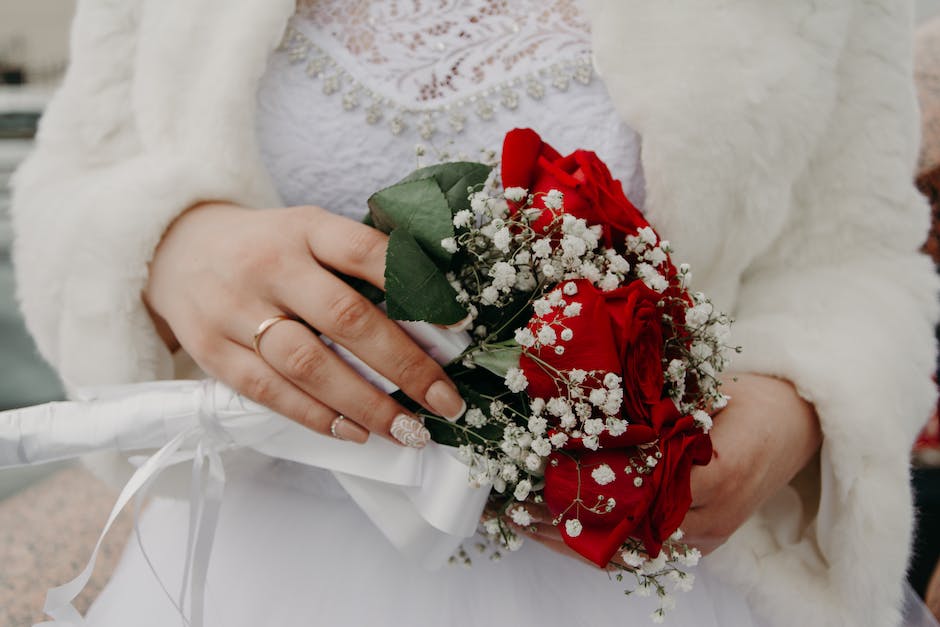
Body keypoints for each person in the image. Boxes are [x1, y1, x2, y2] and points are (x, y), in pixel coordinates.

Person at [9, 1, 937, 625]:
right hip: (249, 563)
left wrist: (788, 413)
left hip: (632, 584)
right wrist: (170, 247)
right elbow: (72, 179)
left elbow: (860, 255)